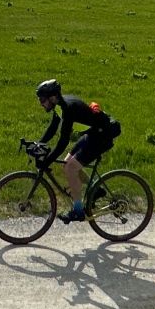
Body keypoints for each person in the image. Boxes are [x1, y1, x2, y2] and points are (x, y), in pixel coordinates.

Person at [32, 78, 121, 223]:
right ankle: (96, 190)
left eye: (42, 100)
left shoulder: (68, 109)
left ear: (52, 97)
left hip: (102, 136)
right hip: (93, 134)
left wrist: (47, 160)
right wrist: (39, 144)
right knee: (67, 163)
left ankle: (78, 211)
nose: (41, 103)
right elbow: (53, 128)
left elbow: (63, 141)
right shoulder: (59, 105)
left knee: (71, 168)